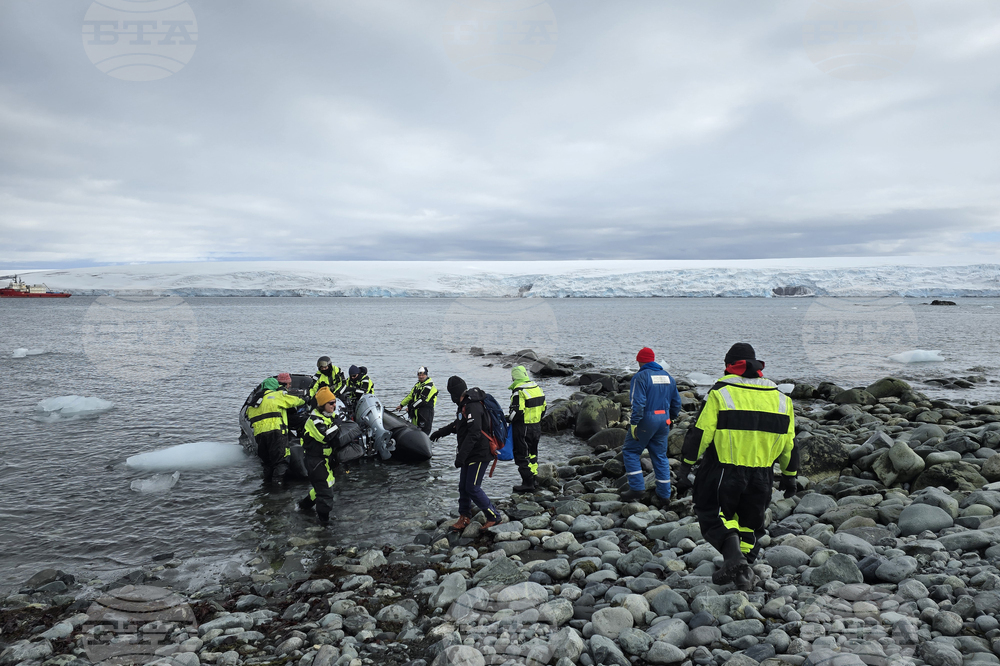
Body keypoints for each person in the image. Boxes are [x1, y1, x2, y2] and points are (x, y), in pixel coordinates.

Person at [676, 342, 798, 591]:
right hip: (763, 474)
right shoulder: (781, 399)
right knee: (750, 524)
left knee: (711, 511)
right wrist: (790, 475)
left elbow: (700, 433)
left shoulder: (722, 393)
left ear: (729, 366)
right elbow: (790, 443)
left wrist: (685, 468)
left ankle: (733, 558)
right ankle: (743, 575)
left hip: (724, 469)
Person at [430, 376, 502, 531]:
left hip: (479, 453)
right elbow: (458, 425)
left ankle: (494, 516)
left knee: (473, 488)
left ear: (455, 393)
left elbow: (474, 433)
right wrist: (440, 432)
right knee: (463, 486)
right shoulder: (464, 405)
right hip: (470, 453)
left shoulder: (472, 406)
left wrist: (461, 456)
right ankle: (464, 517)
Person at [621, 347, 681, 503]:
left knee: (630, 451)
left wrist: (634, 423)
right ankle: (664, 495)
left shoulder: (640, 377)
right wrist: (671, 420)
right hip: (664, 420)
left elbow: (638, 403)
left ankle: (636, 488)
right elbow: (677, 403)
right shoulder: (668, 377)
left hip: (646, 419)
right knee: (660, 456)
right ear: (653, 360)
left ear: (640, 361)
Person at [245, 374, 306, 483]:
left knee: (267, 463)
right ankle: (277, 487)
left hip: (259, 436)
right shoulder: (276, 395)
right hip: (276, 432)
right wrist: (305, 399)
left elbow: (249, 416)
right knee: (281, 461)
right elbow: (295, 401)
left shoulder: (254, 402)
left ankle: (267, 486)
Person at [297, 387, 342, 525]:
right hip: (315, 460)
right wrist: (338, 426)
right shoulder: (314, 421)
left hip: (326, 459)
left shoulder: (329, 416)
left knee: (323, 486)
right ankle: (324, 522)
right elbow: (325, 436)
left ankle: (302, 507)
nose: (334, 406)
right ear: (322, 405)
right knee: (326, 492)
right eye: (331, 403)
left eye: (335, 402)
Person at [508, 365, 546, 492]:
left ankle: (527, 483)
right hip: (536, 426)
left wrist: (508, 419)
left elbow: (517, 411)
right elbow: (544, 408)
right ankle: (534, 479)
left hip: (523, 427)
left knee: (521, 455)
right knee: (533, 454)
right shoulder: (537, 388)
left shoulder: (519, 391)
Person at [397, 366, 438, 435]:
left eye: (423, 375)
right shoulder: (418, 385)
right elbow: (410, 396)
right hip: (416, 412)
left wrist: (410, 407)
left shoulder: (429, 387)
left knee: (424, 433)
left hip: (425, 413)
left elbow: (422, 400)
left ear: (426, 375)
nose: (421, 377)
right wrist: (401, 405)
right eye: (419, 375)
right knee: (415, 431)